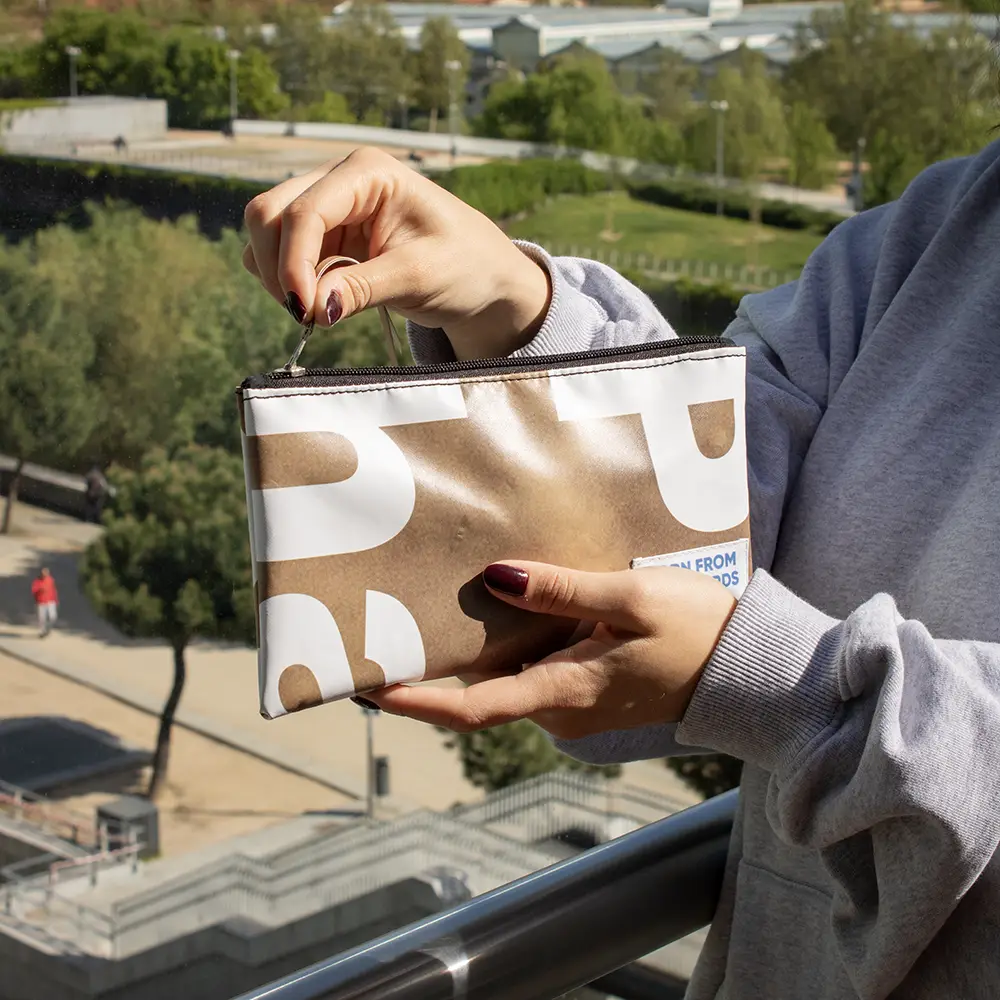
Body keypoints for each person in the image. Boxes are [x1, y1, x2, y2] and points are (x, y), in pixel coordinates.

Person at [242, 146, 1000, 999]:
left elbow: (726, 622)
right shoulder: (939, 226)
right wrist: (514, 312)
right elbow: (702, 505)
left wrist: (784, 690)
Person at [31, 567, 58, 638]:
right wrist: (40, 590)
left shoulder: (50, 580)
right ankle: (42, 632)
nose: (45, 575)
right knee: (42, 618)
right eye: (44, 574)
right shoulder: (37, 581)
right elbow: (34, 590)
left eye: (47, 574)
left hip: (51, 601)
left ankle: (47, 629)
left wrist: (56, 599)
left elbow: (54, 589)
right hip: (41, 602)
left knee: (53, 617)